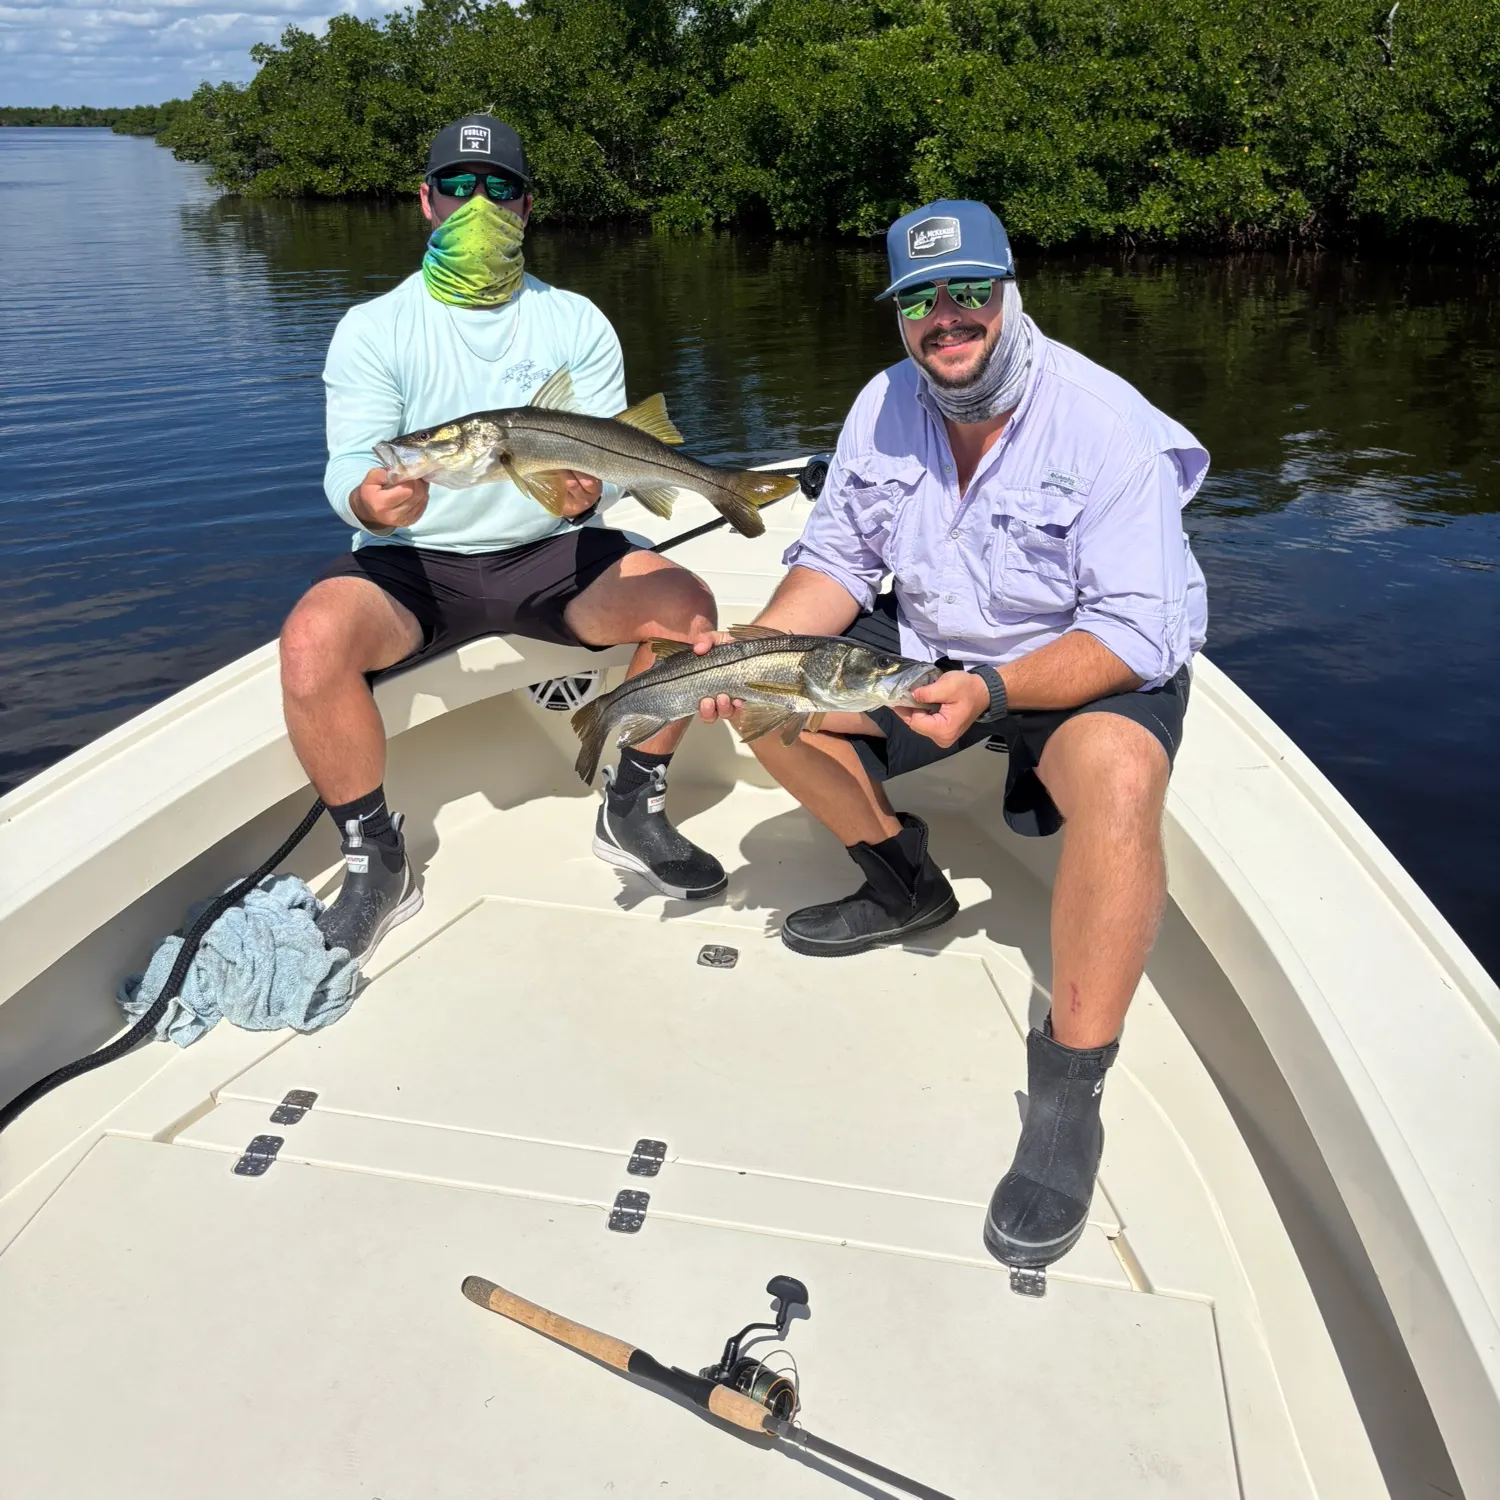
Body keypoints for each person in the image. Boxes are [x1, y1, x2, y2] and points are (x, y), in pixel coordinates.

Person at [695, 200, 1209, 1271]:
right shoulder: (881, 406)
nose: (945, 317)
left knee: (1115, 780)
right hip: (929, 650)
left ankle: (1071, 1089)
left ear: (1011, 289)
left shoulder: (1105, 425)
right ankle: (901, 884)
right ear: (898, 319)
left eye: (966, 290)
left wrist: (990, 688)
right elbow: (837, 563)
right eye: (919, 300)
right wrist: (745, 653)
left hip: (1084, 662)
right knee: (766, 704)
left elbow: (1135, 630)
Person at [281, 115, 726, 968]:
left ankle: (632, 804)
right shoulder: (375, 327)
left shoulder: (577, 321)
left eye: (497, 189)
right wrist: (374, 505)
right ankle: (377, 858)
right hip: (412, 564)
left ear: (526, 206)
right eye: (456, 186)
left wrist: (586, 487)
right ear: (425, 200)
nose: (476, 203)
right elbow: (349, 464)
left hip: (551, 551)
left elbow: (602, 458)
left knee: (687, 608)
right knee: (311, 640)